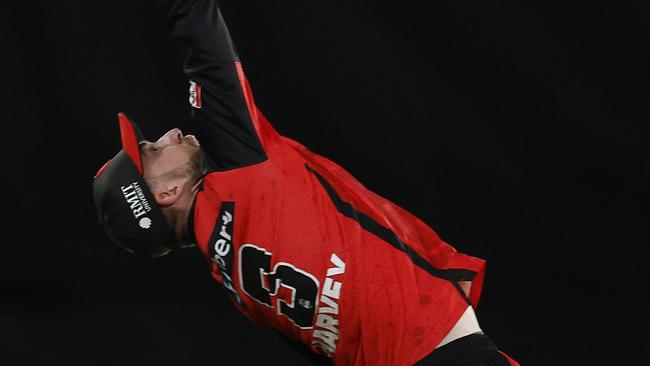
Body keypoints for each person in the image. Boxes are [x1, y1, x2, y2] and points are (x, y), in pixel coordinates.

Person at [92, 0, 520, 365]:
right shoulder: (240, 176)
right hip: (439, 347)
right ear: (165, 194)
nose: (167, 135)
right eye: (151, 151)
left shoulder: (237, 285)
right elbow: (198, 32)